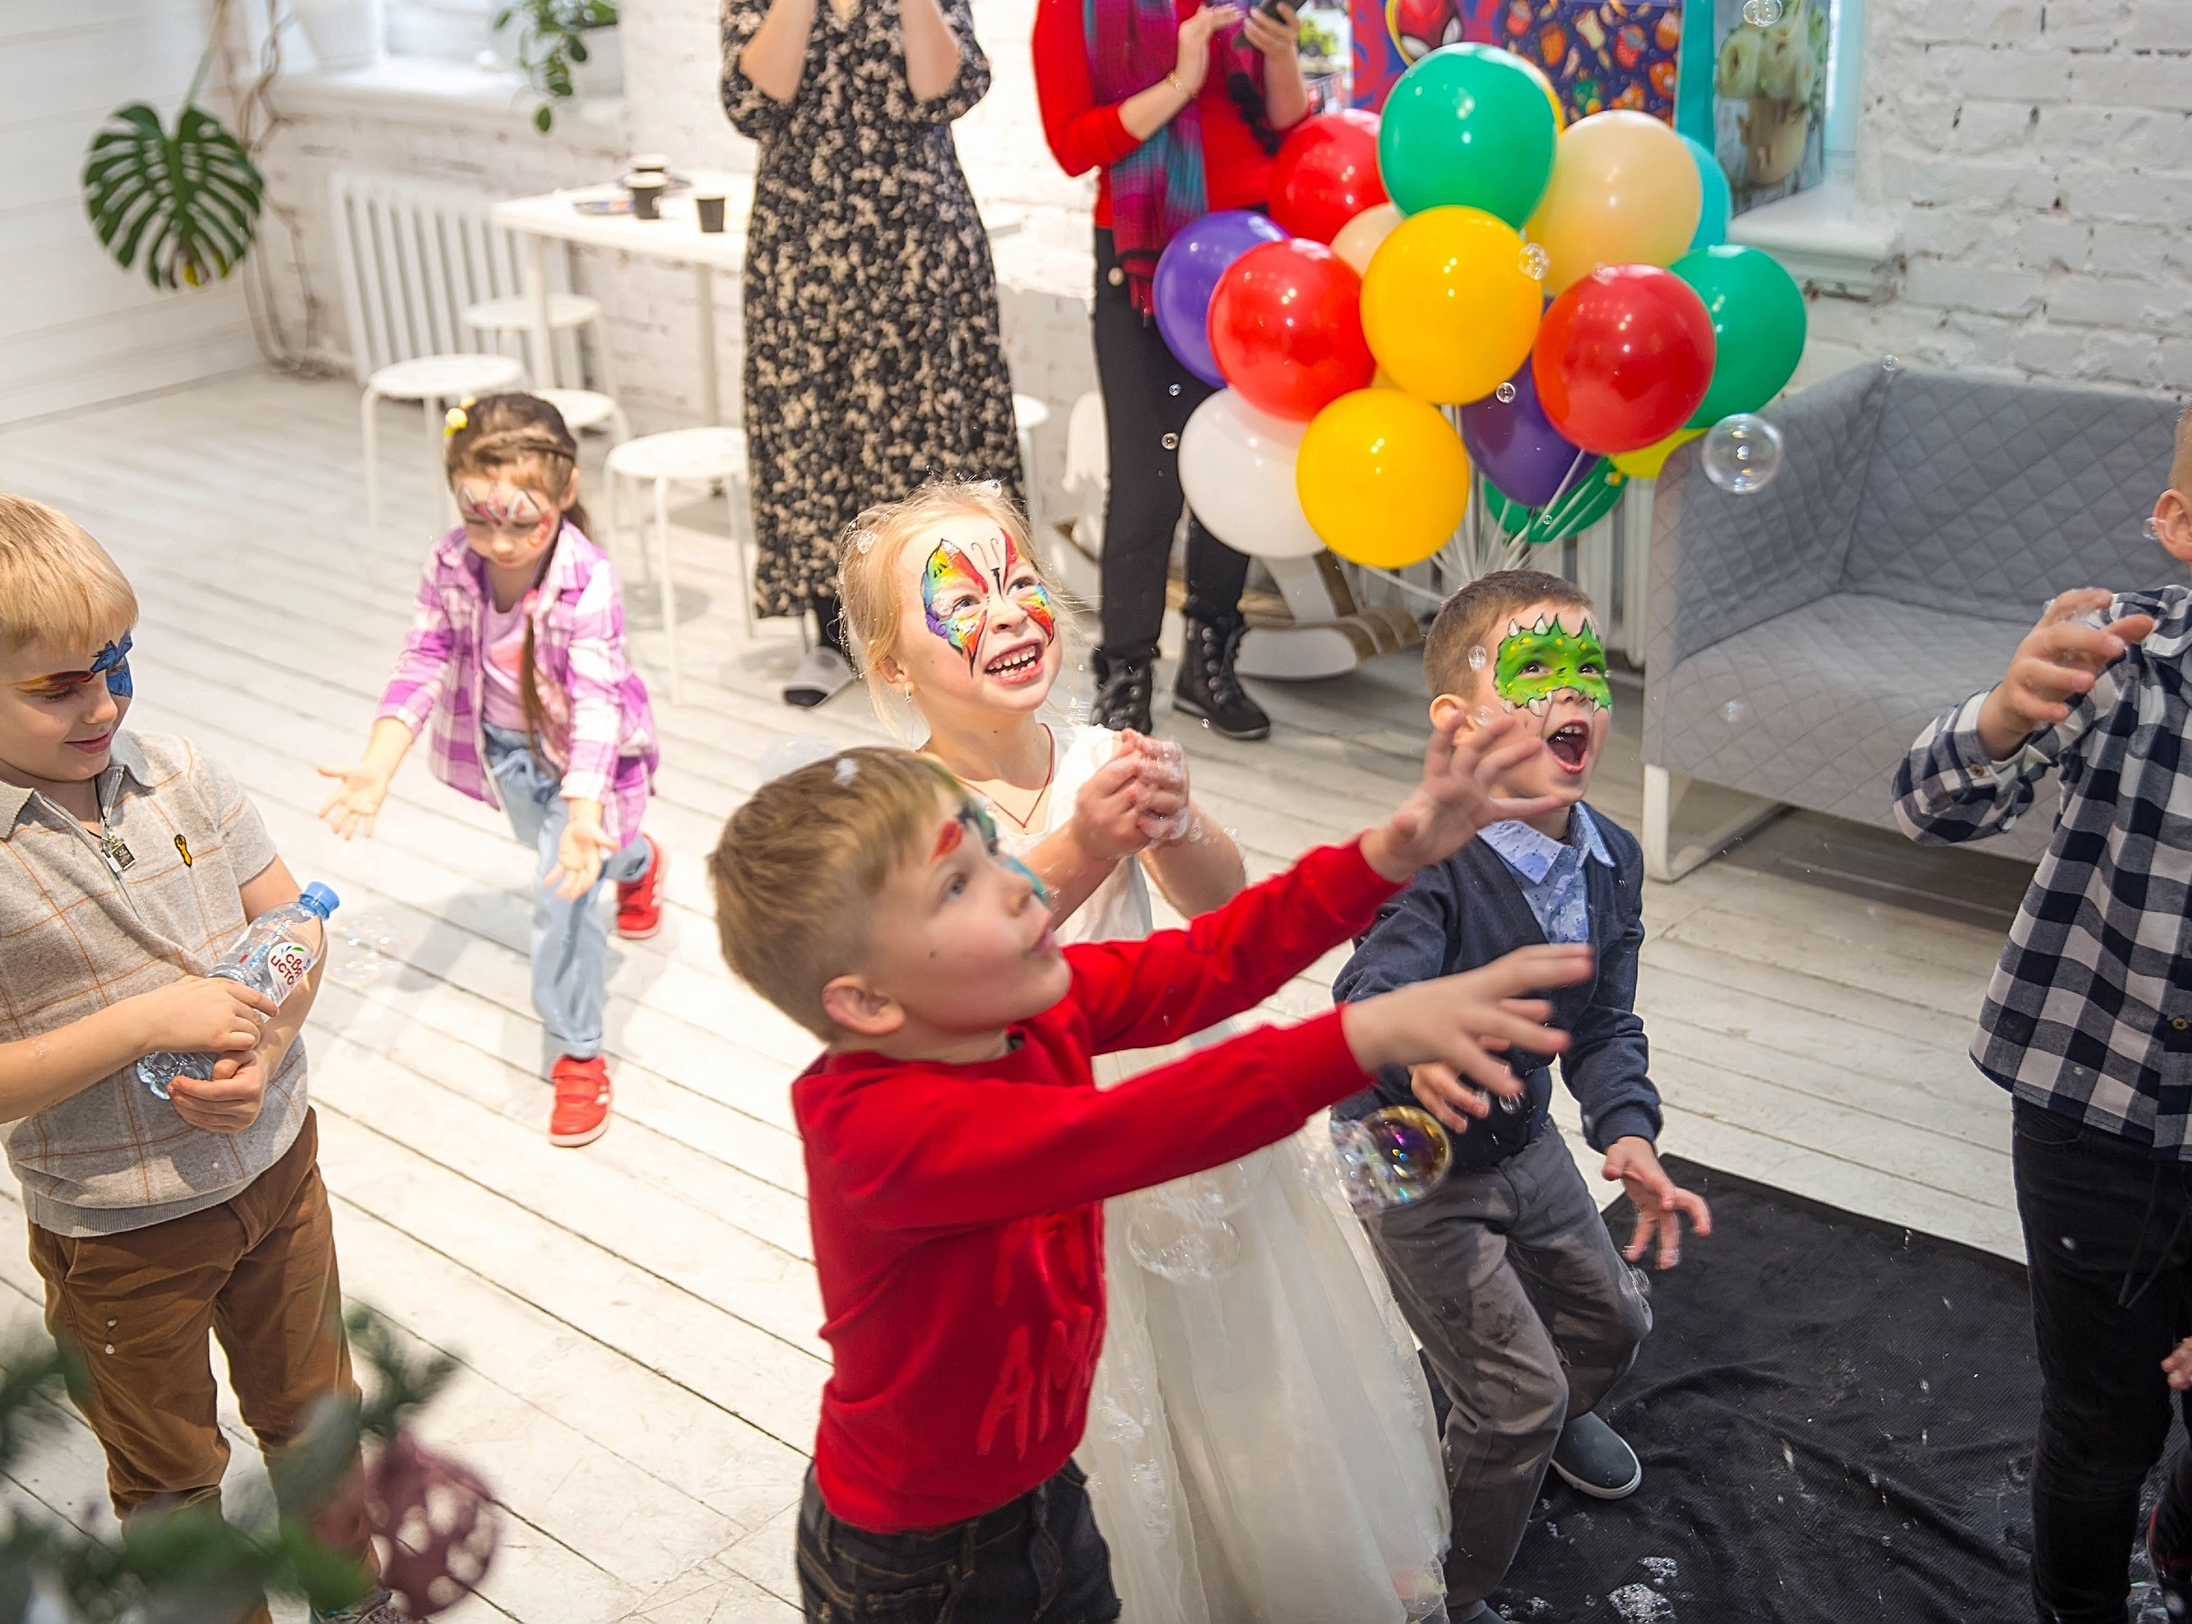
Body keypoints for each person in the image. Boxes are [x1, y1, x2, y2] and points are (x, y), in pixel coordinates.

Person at [710, 712, 1592, 1622]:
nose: (1020, 881)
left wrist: (1388, 852)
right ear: (865, 1000)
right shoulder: (881, 1137)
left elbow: (1209, 962)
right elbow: (1143, 1125)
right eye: (958, 884)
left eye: (987, 847)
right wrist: (1364, 1033)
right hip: (920, 1565)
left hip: (1046, 1488)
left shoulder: (1019, 1009)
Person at [836, 480, 1453, 1620]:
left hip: (1174, 1098)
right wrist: (1081, 840)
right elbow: (961, 978)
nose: (1010, 612)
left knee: (1244, 1370)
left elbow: (1222, 913)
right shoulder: (902, 809)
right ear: (891, 665)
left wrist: (1176, 818)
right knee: (1108, 1387)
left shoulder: (1097, 754)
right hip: (1038, 1139)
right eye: (961, 601)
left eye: (1020, 581)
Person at [0, 492, 394, 1624]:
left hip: (279, 1173)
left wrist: (272, 1041)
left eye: (116, 664)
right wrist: (149, 1021)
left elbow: (293, 927)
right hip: (115, 1233)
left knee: (317, 1418)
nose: (103, 702)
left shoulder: (184, 772)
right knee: (168, 1474)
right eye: (58, 685)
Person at [1892, 316, 2192, 1624]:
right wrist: (1997, 714)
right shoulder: (2108, 666)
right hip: (2090, 1127)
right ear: (2182, 523)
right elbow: (1933, 811)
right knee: (2098, 1430)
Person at [1333, 570, 1714, 1624]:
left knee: (1611, 1321)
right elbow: (1369, 990)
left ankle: (1536, 1421)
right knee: (1514, 1397)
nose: (1571, 696)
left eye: (1587, 670)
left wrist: (1628, 1132)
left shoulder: (1610, 861)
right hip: (1396, 1149)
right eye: (1534, 672)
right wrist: (1426, 1035)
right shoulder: (1432, 867)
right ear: (1457, 725)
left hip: (1517, 1137)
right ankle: (1445, 1589)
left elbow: (1602, 1024)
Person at [317, 394, 660, 1150]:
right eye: (479, 519)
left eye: (521, 520)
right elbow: (424, 656)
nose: (500, 542)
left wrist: (581, 811)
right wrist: (379, 761)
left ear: (565, 493)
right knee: (592, 859)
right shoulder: (449, 563)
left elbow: (599, 701)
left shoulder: (588, 577)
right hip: (509, 756)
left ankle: (578, 1051)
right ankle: (637, 859)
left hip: (589, 768)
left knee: (562, 895)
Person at [721, 0, 1022, 710]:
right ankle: (831, 635)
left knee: (926, 440)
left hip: (919, 247)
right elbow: (758, 97)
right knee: (815, 437)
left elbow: (946, 87)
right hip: (804, 256)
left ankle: (942, 633)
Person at [1032, 0, 1310, 741]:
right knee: (1150, 480)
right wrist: (1182, 80)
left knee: (1233, 465)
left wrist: (1282, 54)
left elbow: (1287, 125)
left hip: (1247, 257)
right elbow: (1073, 144)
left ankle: (1210, 664)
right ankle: (1126, 674)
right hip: (1144, 259)